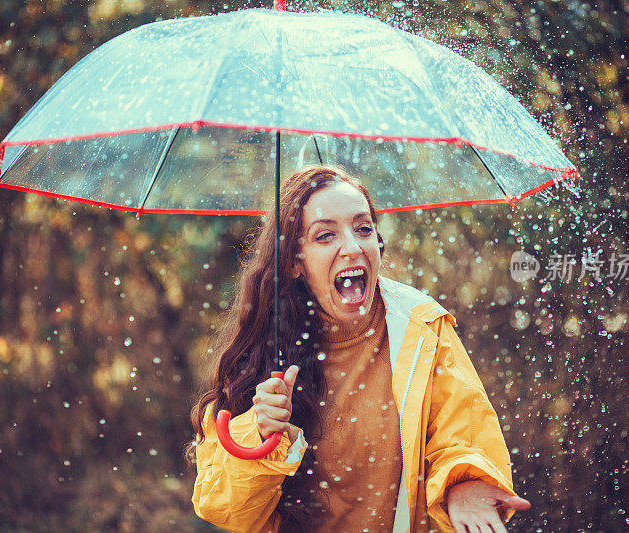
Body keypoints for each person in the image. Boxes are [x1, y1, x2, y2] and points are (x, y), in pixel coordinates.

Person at [188, 165, 530, 532]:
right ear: (294, 263)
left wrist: (464, 484)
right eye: (325, 236)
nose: (351, 247)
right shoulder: (265, 349)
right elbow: (224, 510)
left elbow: (463, 432)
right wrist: (259, 433)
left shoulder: (422, 327)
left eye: (363, 229)